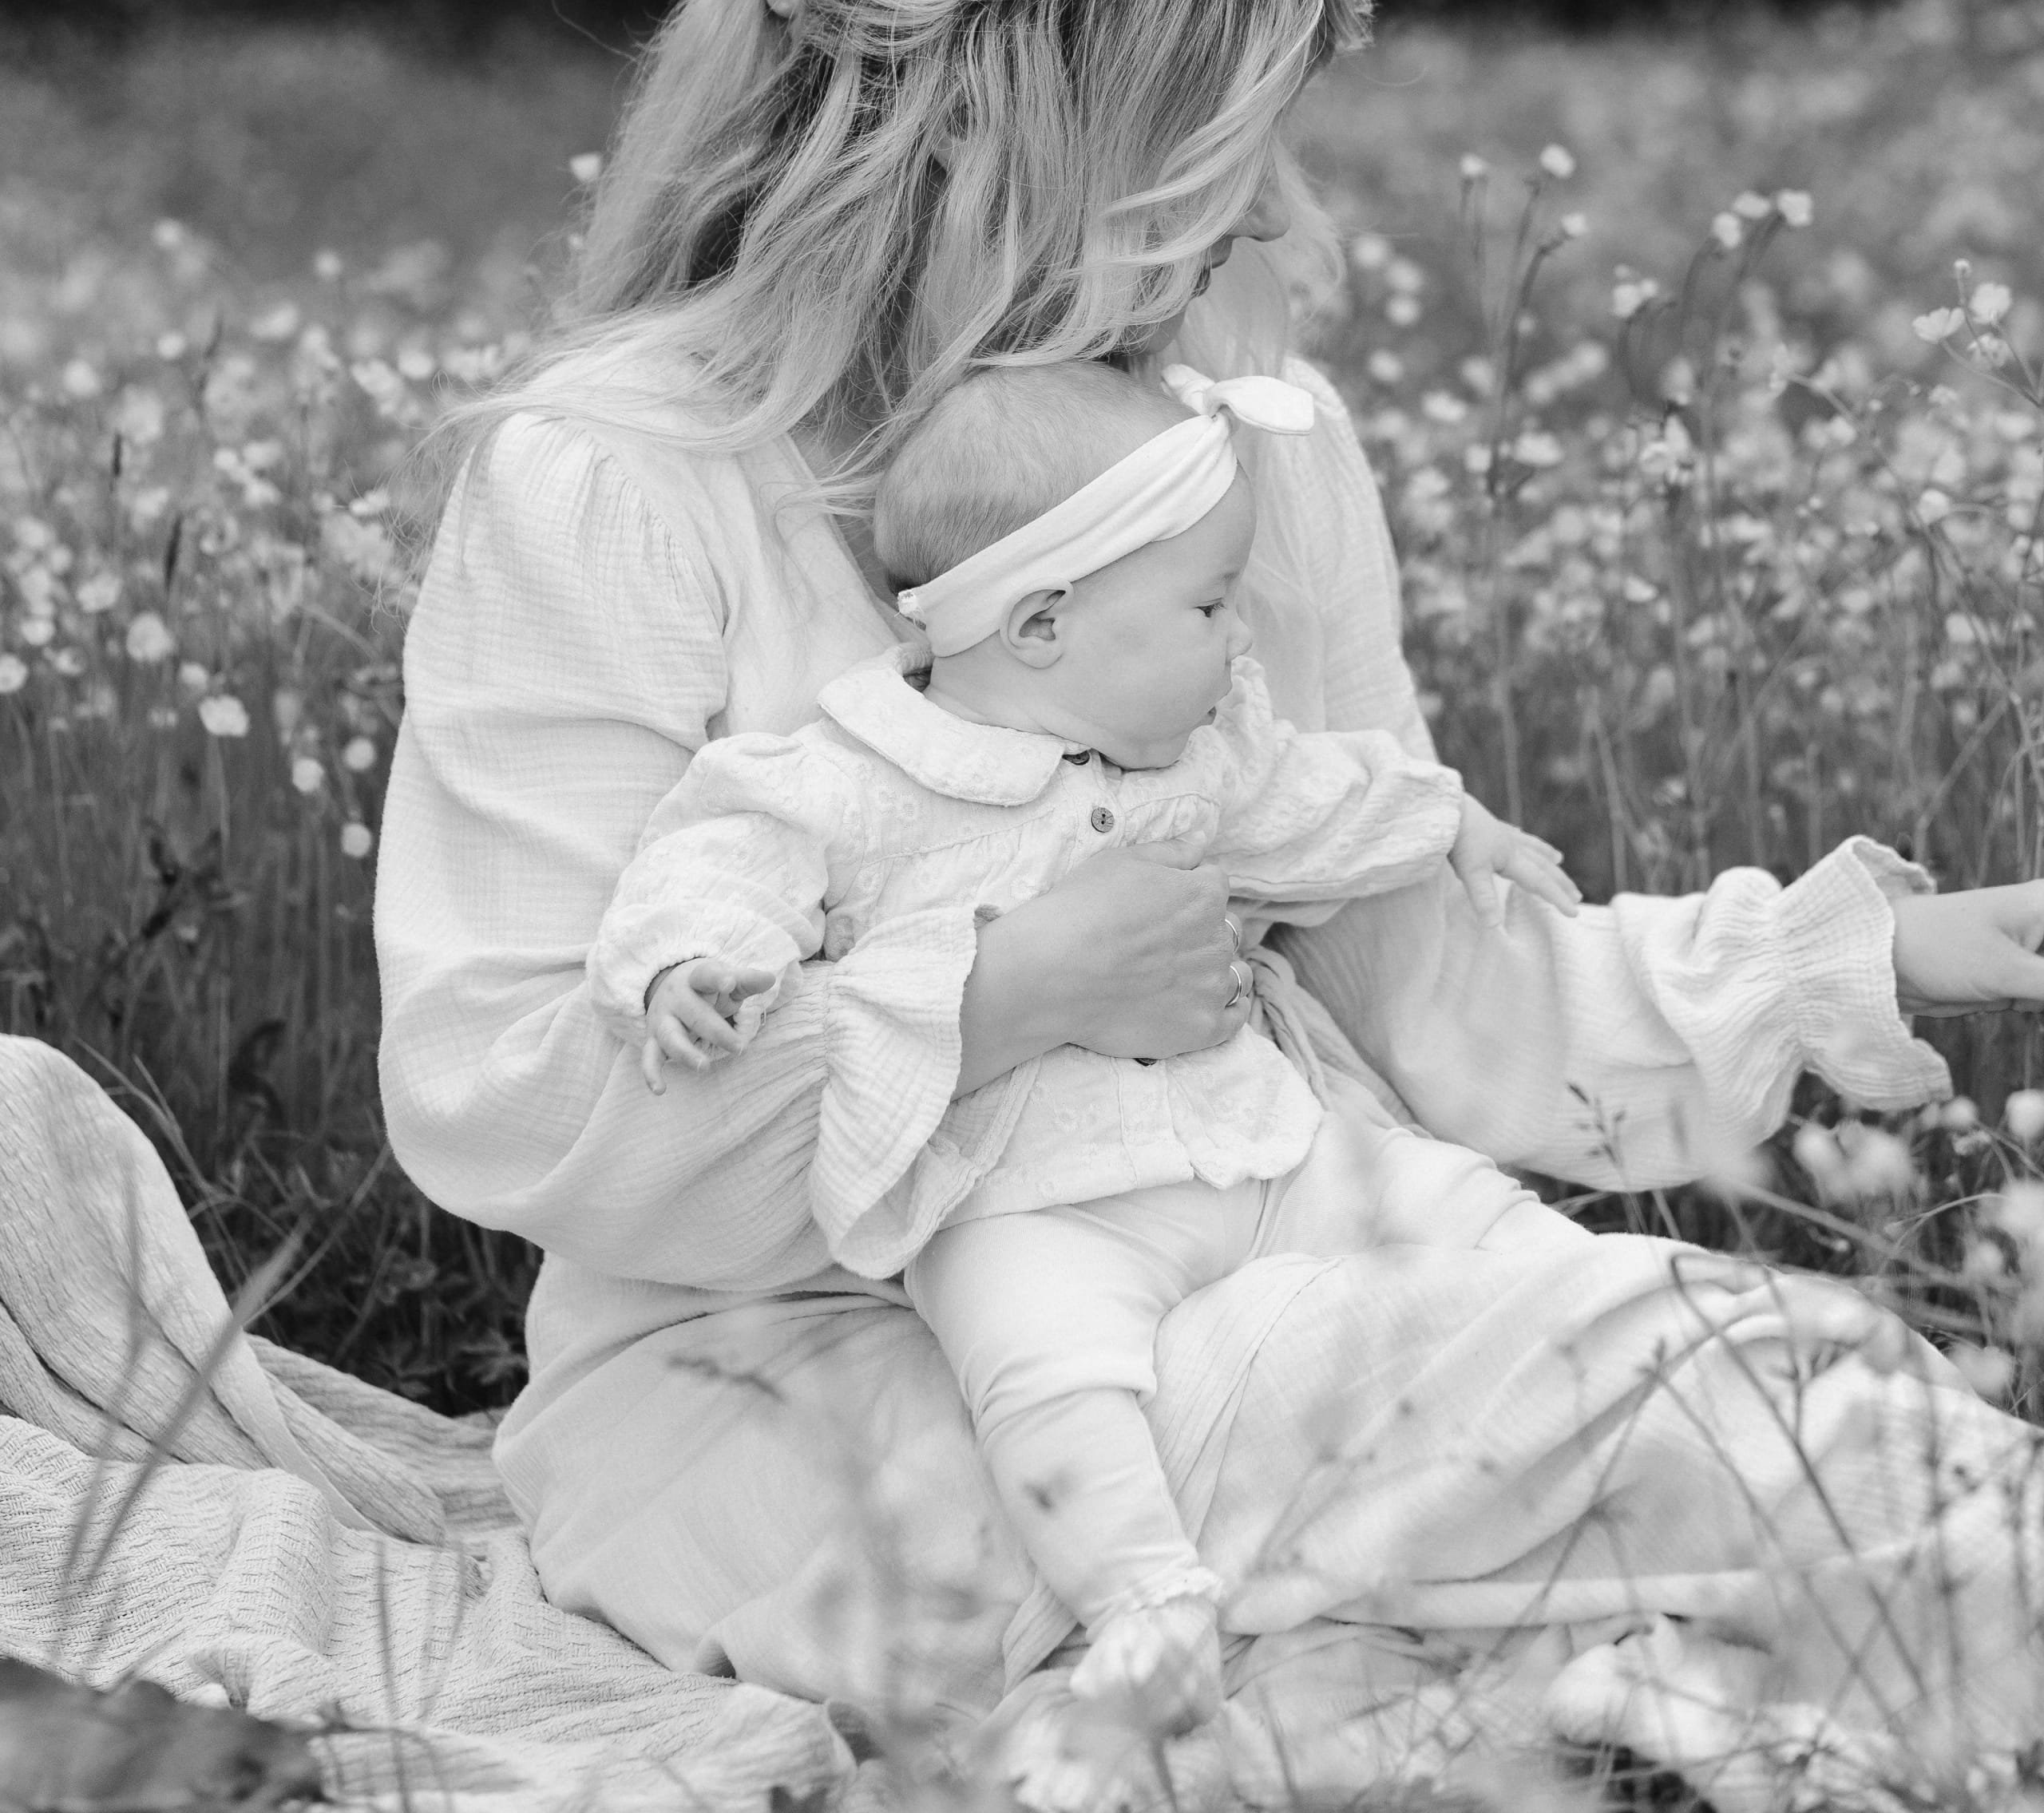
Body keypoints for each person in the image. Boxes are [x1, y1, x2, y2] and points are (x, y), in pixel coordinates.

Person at [377, 0, 2044, 1811]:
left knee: (1787, 1418)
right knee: (1625, 1433)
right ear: (1005, 135)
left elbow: (1430, 984)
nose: (1268, 214)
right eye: (1214, 148)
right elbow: (502, 1092)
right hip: (802, 1379)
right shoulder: (624, 483)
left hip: (1284, 1260)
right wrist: (996, 998)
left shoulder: (1243, 454)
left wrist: (1864, 962)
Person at [584, 356, 1583, 1747]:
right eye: (1209, 606)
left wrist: (1449, 820)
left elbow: (1316, 798)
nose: (1239, 638)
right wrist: (683, 965)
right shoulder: (860, 775)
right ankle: (1146, 1607)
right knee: (1042, 1376)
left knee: (1447, 1202)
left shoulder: (1193, 762)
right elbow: (721, 857)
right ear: (1044, 623)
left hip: (1252, 1145)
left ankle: (1598, 1325)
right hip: (1027, 1198)